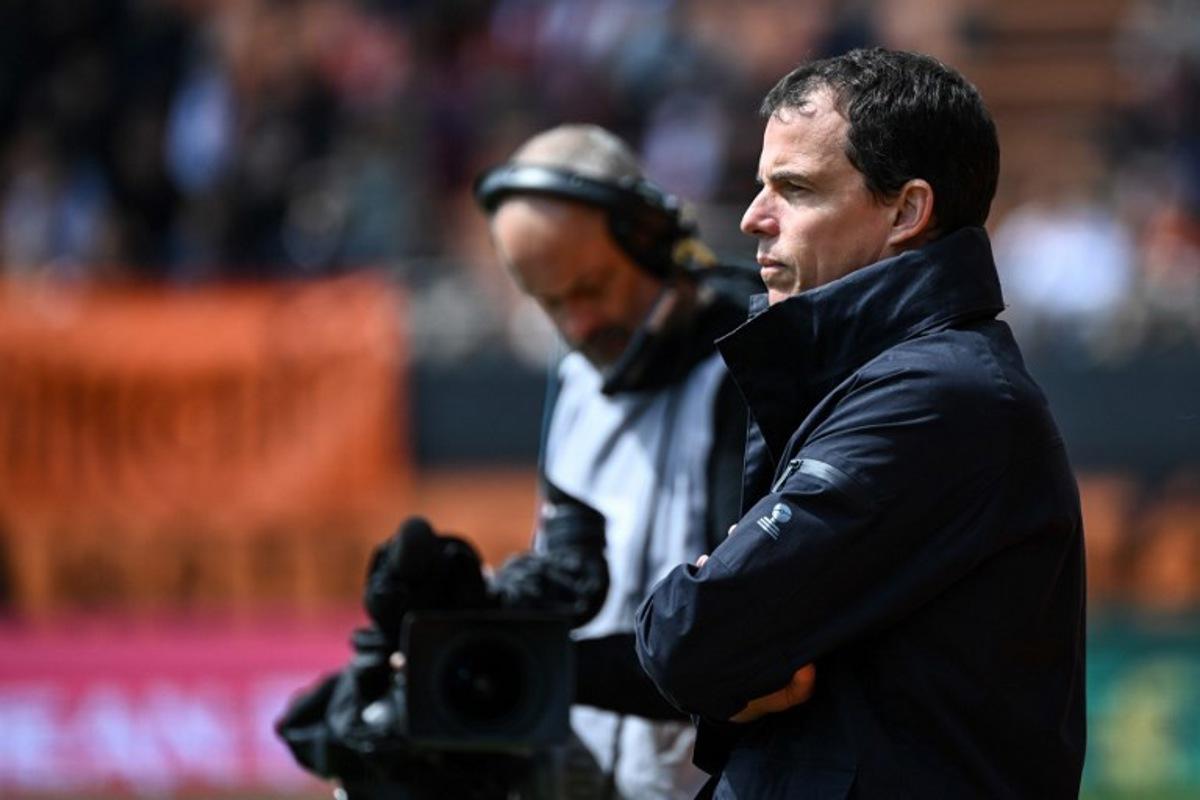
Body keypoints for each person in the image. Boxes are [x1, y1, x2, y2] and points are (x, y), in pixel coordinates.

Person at [634, 48, 1087, 798]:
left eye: (795, 189)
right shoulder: (885, 382)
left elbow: (691, 636)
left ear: (907, 212)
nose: (753, 217)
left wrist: (722, 625)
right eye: (760, 186)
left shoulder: (938, 398)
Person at [473, 123, 755, 799]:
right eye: (550, 304)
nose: (576, 326)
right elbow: (568, 577)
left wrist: (544, 666)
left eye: (591, 288)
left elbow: (732, 643)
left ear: (651, 239)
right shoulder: (574, 383)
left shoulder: (746, 373)